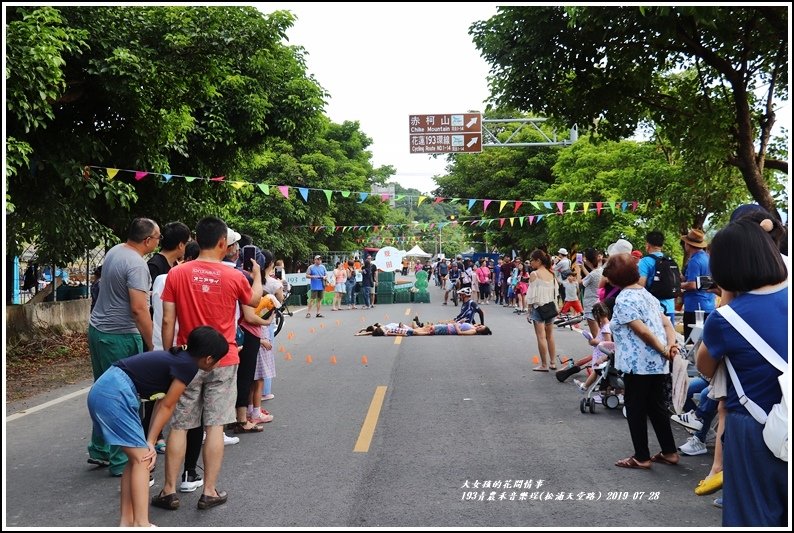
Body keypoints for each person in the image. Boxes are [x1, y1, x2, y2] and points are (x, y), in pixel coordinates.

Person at [155, 217, 261, 511]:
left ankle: (168, 490)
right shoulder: (235, 277)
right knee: (214, 425)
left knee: (179, 424)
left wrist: (169, 354)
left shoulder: (178, 274)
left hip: (187, 358)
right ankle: (210, 491)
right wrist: (257, 274)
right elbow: (253, 302)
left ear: (196, 240)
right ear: (222, 243)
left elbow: (168, 319)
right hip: (224, 359)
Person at [87, 326, 228, 527]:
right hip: (114, 394)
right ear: (208, 359)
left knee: (136, 460)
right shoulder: (188, 366)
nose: (219, 363)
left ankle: (127, 522)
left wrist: (150, 440)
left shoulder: (181, 357)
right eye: (218, 359)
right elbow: (168, 405)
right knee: (143, 460)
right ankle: (142, 524)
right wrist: (151, 442)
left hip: (107, 389)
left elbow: (161, 403)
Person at [696, 218, 787, 526]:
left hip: (755, 430)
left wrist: (727, 296)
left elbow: (704, 367)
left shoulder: (726, 320)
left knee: (754, 517)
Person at [87, 217, 159, 477]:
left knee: (103, 390)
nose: (158, 242)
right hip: (119, 336)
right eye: (157, 238)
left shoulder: (116, 251)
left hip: (98, 331)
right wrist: (152, 344)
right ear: (147, 240)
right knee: (123, 397)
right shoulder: (138, 265)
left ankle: (100, 449)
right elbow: (139, 309)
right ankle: (121, 461)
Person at [604, 253, 680, 470]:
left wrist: (664, 349)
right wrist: (670, 347)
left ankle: (641, 456)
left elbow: (642, 331)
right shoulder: (647, 295)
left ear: (613, 278)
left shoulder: (624, 299)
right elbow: (667, 325)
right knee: (657, 407)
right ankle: (669, 451)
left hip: (638, 365)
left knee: (636, 409)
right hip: (658, 363)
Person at [679, 228, 716, 341]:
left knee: (692, 342)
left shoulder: (694, 261)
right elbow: (706, 281)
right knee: (704, 341)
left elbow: (693, 285)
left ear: (688, 244)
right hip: (708, 305)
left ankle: (692, 359)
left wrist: (678, 285)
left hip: (695, 308)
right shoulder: (707, 258)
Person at [526, 249, 558, 372]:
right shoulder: (552, 274)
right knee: (550, 336)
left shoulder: (535, 274)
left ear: (538, 260)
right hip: (550, 308)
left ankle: (544, 365)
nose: (530, 263)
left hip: (538, 308)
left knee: (541, 337)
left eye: (532, 260)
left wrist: (529, 310)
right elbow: (555, 294)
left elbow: (531, 295)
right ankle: (553, 362)